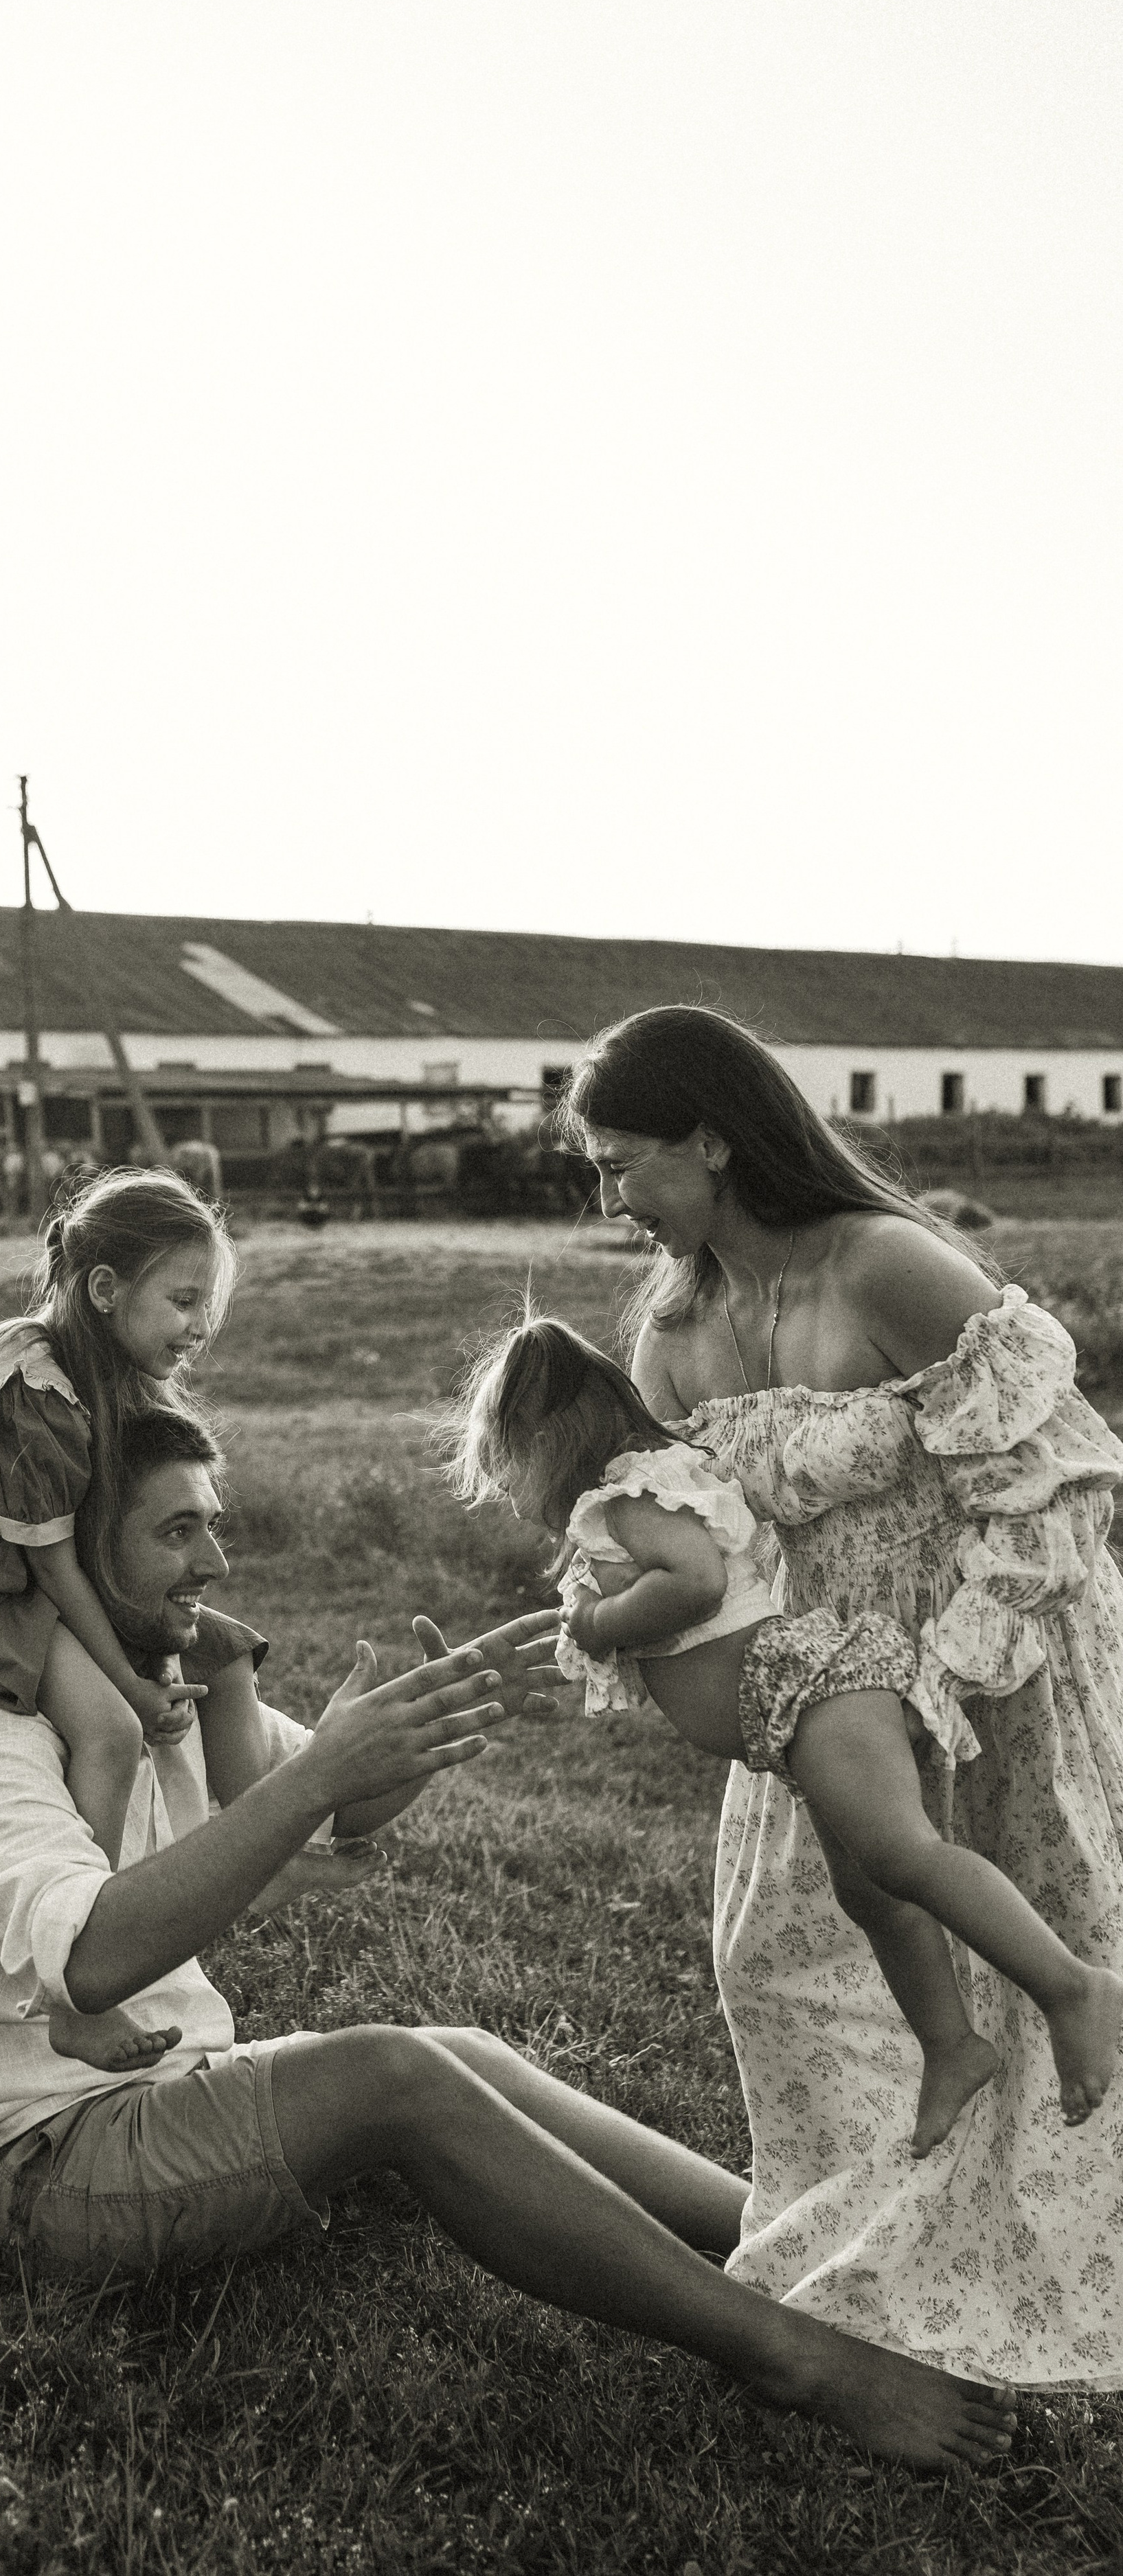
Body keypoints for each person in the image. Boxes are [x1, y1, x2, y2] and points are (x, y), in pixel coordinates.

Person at [0, 1404, 1019, 2470]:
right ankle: (792, 2355)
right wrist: (325, 1766)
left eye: (213, 1528)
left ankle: (801, 2250)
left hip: (155, 2095)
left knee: (455, 2045)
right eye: (177, 1532)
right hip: (22, 2183)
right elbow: (93, 1958)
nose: (216, 1564)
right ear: (75, 1557)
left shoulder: (152, 1698)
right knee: (394, 2074)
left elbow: (303, 1820)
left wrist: (407, 1737)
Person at [562, 1002, 1123, 2390]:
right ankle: (875, 2250)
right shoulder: (674, 1329)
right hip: (812, 1690)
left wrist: (956, 1670)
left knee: (1011, 1919)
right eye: (592, 1167)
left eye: (621, 1161)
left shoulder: (885, 1268)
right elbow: (699, 1532)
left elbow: (1049, 1480)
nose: (604, 1196)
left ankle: (1046, 2241)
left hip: (988, 1648)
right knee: (785, 1963)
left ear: (710, 1137)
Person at [442, 1309, 1123, 2154]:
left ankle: (1071, 1988)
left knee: (902, 1856)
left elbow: (690, 1587)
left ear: (548, 1437)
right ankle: (952, 2045)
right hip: (790, 1714)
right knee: (867, 1891)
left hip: (807, 1687)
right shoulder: (641, 1490)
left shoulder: (624, 1500)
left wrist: (594, 1623)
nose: (508, 1494)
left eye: (506, 1469)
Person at [0, 1165, 271, 2072]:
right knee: (112, 1735)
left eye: (206, 1304)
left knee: (221, 1650)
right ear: (103, 1290)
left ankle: (283, 1835)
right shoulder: (37, 1393)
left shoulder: (85, 1375)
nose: (199, 1327)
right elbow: (51, 1567)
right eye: (181, 1300)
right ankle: (79, 1986)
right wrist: (126, 1680)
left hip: (17, 1581)